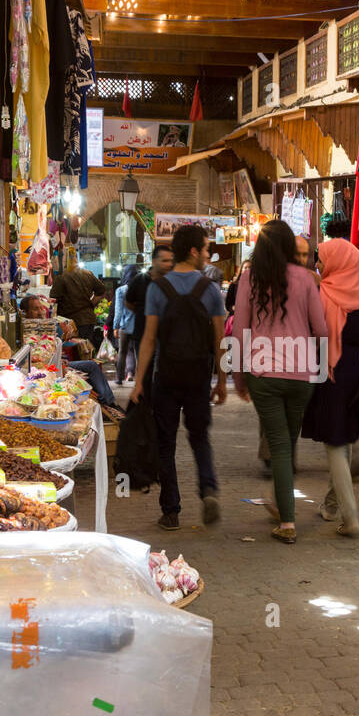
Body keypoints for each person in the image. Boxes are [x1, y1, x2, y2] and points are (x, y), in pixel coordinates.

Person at [232, 220, 328, 544]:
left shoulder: (250, 278)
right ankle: (280, 501)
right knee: (286, 442)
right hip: (302, 375)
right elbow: (321, 329)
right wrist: (323, 365)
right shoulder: (306, 278)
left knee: (280, 446)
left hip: (264, 375)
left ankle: (287, 522)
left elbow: (240, 331)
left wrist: (238, 376)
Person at [130, 225, 228, 531]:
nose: (209, 255)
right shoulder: (209, 290)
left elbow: (148, 339)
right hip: (198, 375)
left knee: (165, 443)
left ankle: (171, 511)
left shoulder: (158, 288)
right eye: (207, 249)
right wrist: (222, 380)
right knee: (200, 438)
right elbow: (220, 340)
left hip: (167, 375)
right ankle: (208, 489)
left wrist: (138, 381)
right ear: (195, 251)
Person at [301, 238, 359, 537]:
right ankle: (332, 504)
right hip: (357, 372)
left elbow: (309, 335)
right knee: (343, 442)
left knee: (335, 445)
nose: (318, 264)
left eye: (321, 259)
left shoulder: (322, 294)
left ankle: (351, 517)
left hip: (330, 373)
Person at [125, 244, 174, 360]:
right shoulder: (139, 280)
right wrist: (143, 312)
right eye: (165, 260)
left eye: (171, 261)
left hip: (165, 336)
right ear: (154, 261)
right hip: (142, 334)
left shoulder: (172, 282)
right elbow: (128, 302)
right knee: (145, 368)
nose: (169, 264)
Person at [50, 261, 106, 352]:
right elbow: (102, 291)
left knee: (77, 351)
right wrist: (91, 303)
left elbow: (53, 299)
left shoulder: (61, 277)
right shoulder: (87, 273)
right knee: (87, 350)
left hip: (72, 321)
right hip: (88, 318)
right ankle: (88, 364)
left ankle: (81, 365)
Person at [113, 265, 137, 385]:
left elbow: (118, 310)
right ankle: (132, 374)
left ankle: (119, 378)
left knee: (122, 351)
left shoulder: (121, 290)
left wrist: (115, 326)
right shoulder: (140, 288)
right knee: (135, 351)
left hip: (124, 326)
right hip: (138, 326)